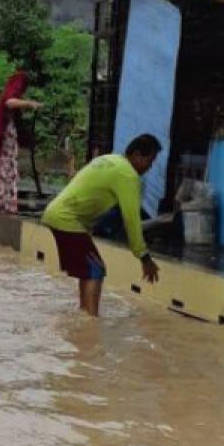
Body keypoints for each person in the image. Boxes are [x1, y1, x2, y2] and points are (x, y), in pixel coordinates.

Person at [41, 134, 163, 316]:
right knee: (95, 269)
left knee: (89, 269)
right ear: (137, 155)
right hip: (67, 220)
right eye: (149, 161)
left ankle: (83, 315)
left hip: (58, 214)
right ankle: (90, 323)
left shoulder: (109, 159)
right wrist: (144, 257)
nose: (149, 168)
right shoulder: (127, 175)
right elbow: (131, 220)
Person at [0, 63, 42, 214]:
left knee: (2, 168)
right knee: (2, 167)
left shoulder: (8, 99)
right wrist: (29, 104)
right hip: (3, 139)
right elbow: (10, 102)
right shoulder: (16, 85)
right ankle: (1, 203)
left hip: (2, 139)